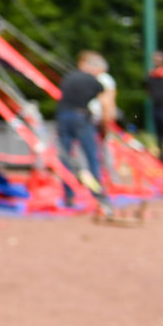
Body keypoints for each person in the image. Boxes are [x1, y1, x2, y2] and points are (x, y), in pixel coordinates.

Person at [56, 52, 112, 209]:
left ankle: (68, 196)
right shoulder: (94, 81)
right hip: (81, 118)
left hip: (63, 117)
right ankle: (97, 194)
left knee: (66, 158)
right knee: (92, 157)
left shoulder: (69, 77)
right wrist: (105, 125)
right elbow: (105, 104)